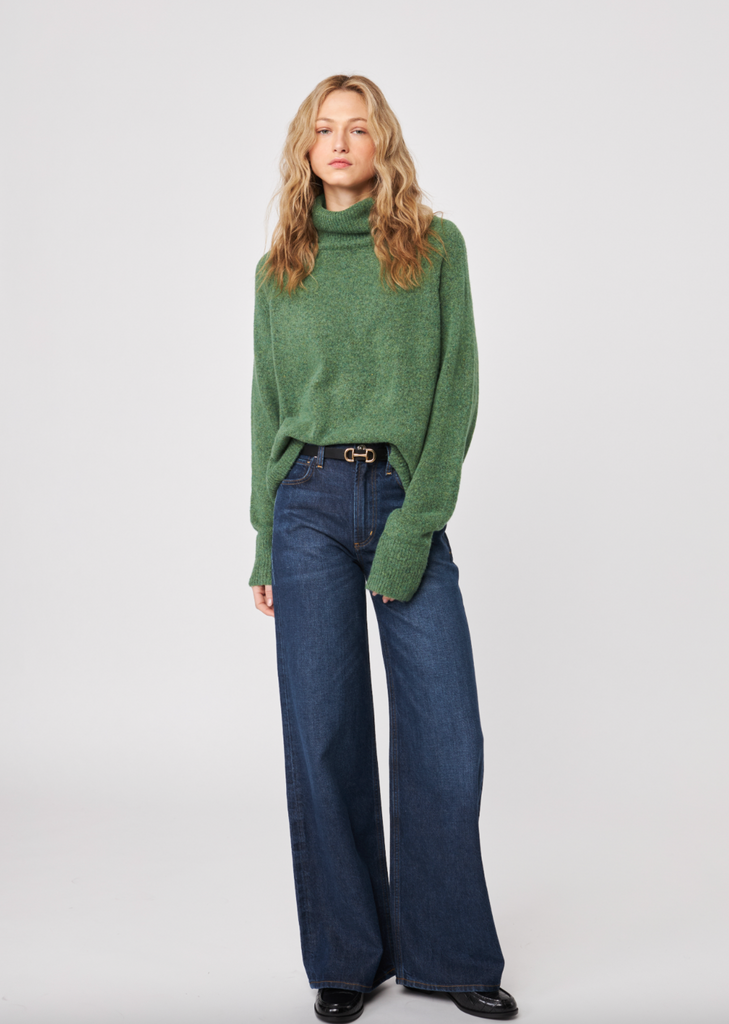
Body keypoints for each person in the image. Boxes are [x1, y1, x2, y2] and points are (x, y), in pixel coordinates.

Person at [248, 74, 518, 1022]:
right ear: (305, 146)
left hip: (403, 497)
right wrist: (263, 540)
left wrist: (414, 527)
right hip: (306, 507)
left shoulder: (435, 247)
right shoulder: (279, 266)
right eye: (323, 128)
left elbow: (456, 392)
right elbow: (266, 409)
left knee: (447, 735)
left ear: (381, 143)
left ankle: (448, 956)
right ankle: (347, 960)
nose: (339, 141)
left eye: (357, 127)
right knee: (322, 736)